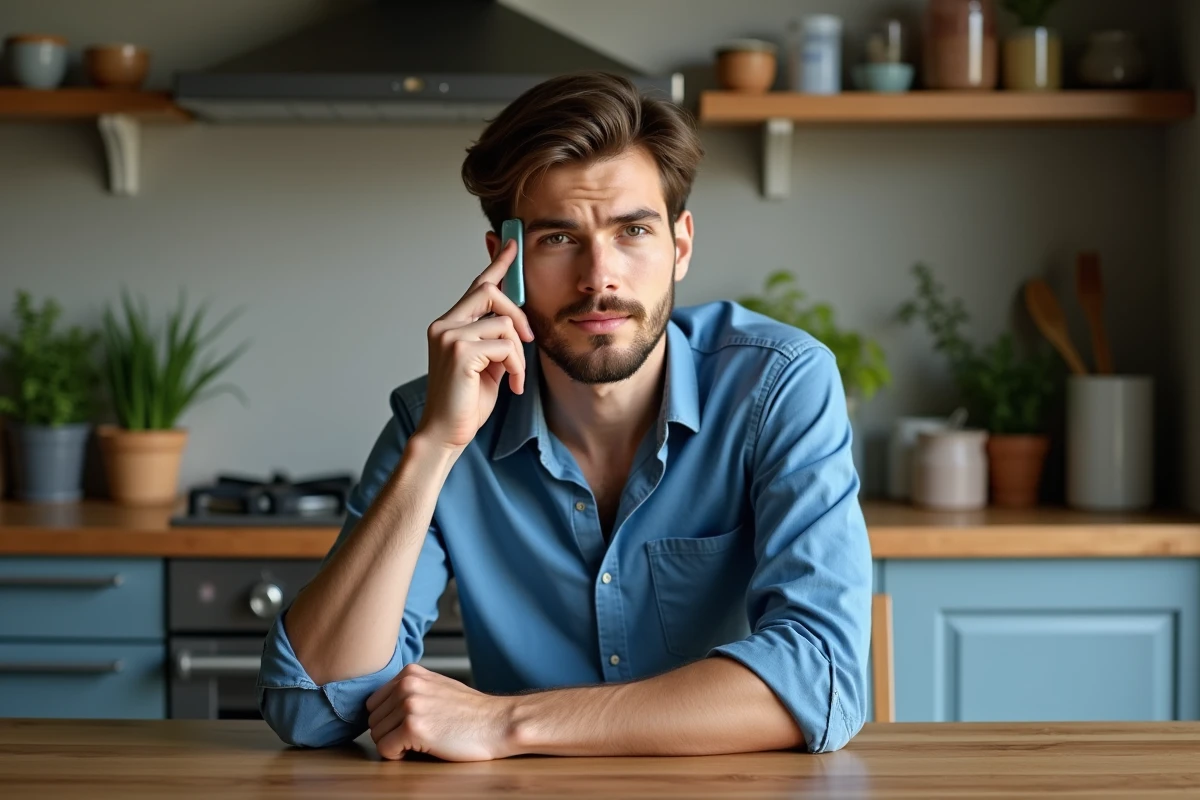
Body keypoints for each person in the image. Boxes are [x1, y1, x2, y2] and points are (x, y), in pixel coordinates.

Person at [257, 71, 872, 761]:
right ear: (501, 266)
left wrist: (508, 723)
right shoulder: (438, 416)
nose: (599, 276)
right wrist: (436, 446)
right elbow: (309, 708)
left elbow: (823, 676)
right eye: (556, 238)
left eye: (633, 230)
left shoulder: (777, 384)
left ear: (681, 245)